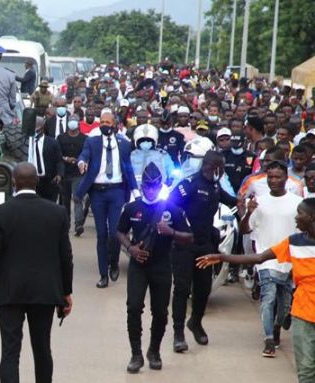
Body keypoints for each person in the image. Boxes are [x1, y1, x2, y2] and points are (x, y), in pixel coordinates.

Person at [0, 162, 73, 383]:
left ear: (14, 183)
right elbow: (66, 257)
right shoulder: (57, 213)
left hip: (10, 291)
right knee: (42, 349)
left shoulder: (1, 213)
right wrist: (66, 292)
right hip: (45, 292)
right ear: (37, 182)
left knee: (10, 352)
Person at [196, 198, 315, 382]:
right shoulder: (293, 242)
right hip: (303, 313)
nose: (296, 218)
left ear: (312, 217)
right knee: (306, 370)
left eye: (300, 214)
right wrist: (221, 256)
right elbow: (259, 258)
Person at [117, 163, 193, 373]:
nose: (151, 189)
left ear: (161, 186)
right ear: (142, 186)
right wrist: (130, 248)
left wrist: (172, 233)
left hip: (161, 265)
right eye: (147, 186)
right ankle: (136, 354)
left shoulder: (172, 209)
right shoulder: (132, 208)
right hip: (138, 265)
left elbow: (189, 237)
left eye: (155, 186)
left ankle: (154, 350)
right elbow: (120, 231)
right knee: (133, 307)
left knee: (160, 312)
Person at [168, 151, 237, 352]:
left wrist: (239, 202)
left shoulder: (214, 185)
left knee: (204, 288)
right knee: (181, 288)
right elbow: (170, 205)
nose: (222, 172)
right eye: (221, 168)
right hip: (184, 245)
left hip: (205, 244)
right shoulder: (188, 184)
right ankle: (178, 333)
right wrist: (181, 228)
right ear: (210, 167)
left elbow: (226, 199)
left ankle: (195, 322)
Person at [239, 160, 300, 357]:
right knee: (268, 299)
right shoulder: (259, 201)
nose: (273, 180)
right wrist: (248, 212)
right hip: (265, 260)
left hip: (289, 261)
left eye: (277, 177)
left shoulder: (296, 203)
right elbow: (245, 229)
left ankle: (276, 327)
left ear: (286, 178)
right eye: (270, 177)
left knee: (283, 306)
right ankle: (268, 339)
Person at [76, 111, 138, 288]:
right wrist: (81, 163)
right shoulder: (92, 142)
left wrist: (136, 192)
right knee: (101, 234)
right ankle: (103, 274)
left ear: (114, 124)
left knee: (114, 233)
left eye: (107, 122)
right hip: (98, 193)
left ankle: (114, 263)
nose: (104, 124)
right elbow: (83, 155)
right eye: (101, 121)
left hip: (117, 191)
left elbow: (129, 169)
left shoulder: (124, 144)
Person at [57, 119, 87, 236]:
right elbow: (58, 154)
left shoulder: (84, 138)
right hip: (64, 173)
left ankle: (78, 224)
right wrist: (66, 159)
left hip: (78, 174)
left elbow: (86, 153)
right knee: (65, 200)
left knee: (77, 198)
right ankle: (66, 223)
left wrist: (79, 160)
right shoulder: (61, 138)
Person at [30, 117, 64, 202]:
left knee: (49, 205)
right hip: (32, 180)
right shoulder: (28, 143)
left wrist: (59, 174)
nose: (36, 132)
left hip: (49, 180)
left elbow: (59, 160)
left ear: (42, 128)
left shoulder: (52, 143)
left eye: (38, 129)